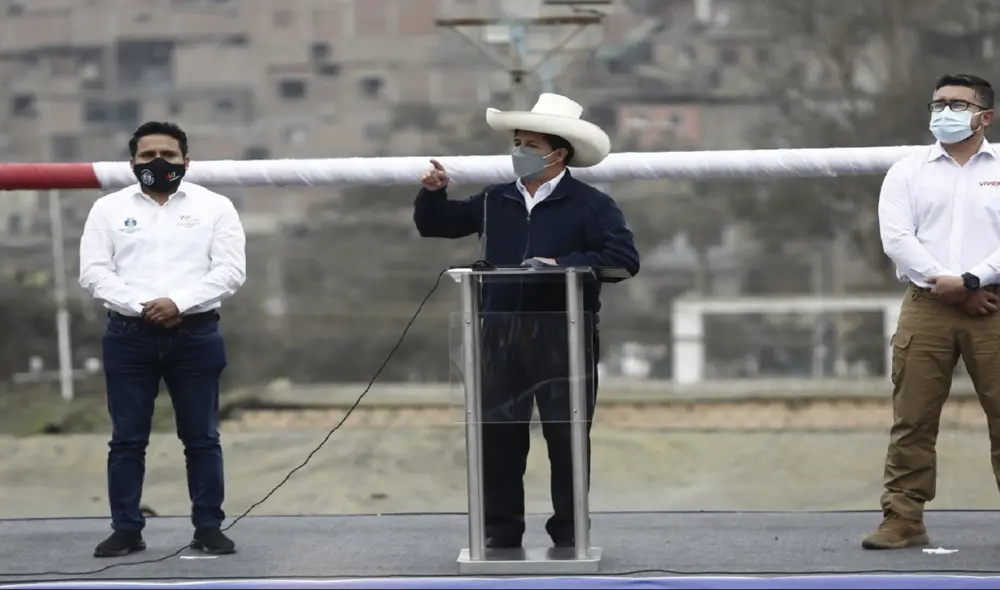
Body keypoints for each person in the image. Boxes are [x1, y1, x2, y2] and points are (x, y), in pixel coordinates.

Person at [413, 93, 640, 549]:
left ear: (558, 153)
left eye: (529, 144)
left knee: (567, 437)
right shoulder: (496, 200)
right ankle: (500, 531)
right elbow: (438, 224)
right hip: (497, 334)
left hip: (564, 336)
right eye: (517, 142)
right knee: (499, 438)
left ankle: (570, 533)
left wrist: (561, 263)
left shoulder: (592, 205)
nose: (518, 151)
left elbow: (623, 258)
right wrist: (433, 193)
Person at [79, 121, 247, 558]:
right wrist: (144, 306)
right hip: (128, 336)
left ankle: (208, 527)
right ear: (132, 162)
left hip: (196, 334)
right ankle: (126, 529)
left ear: (185, 161)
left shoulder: (217, 208)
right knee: (127, 440)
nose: (158, 163)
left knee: (202, 438)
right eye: (147, 155)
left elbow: (229, 271)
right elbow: (95, 272)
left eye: (168, 155)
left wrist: (178, 303)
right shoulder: (107, 210)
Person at [866, 73, 1000, 549]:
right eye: (938, 103)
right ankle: (903, 517)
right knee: (913, 417)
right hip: (928, 305)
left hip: (994, 305)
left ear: (986, 116)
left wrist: (972, 279)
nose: (944, 111)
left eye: (957, 104)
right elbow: (898, 239)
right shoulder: (907, 171)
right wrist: (956, 287)